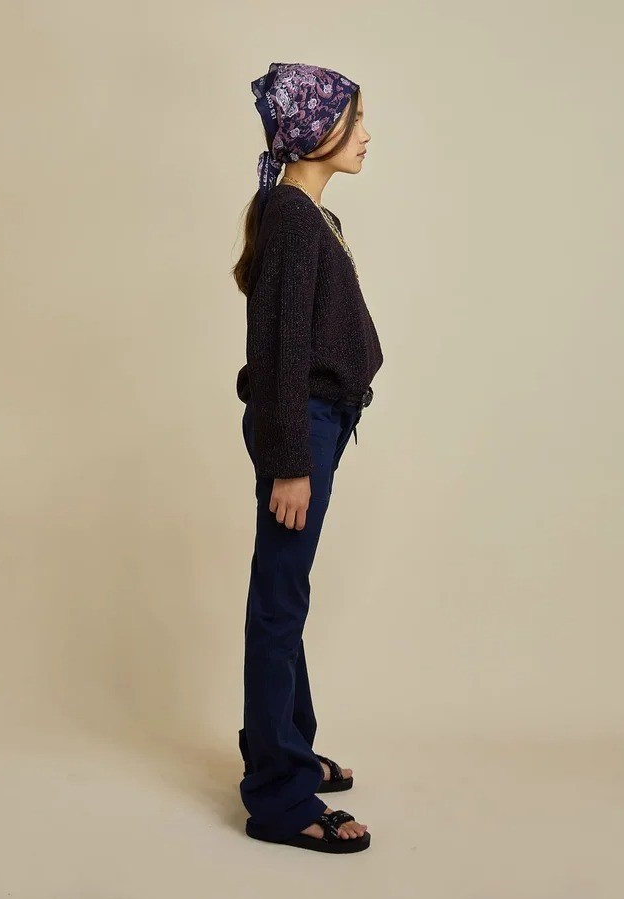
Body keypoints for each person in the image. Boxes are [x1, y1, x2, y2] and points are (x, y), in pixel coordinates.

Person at [230, 61, 384, 854]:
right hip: (302, 429)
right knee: (278, 602)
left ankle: (285, 748)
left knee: (286, 594)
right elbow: (281, 349)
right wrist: (291, 460)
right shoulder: (292, 215)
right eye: (354, 121)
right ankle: (279, 799)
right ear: (315, 128)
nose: (366, 135)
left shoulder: (304, 213)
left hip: (317, 424)